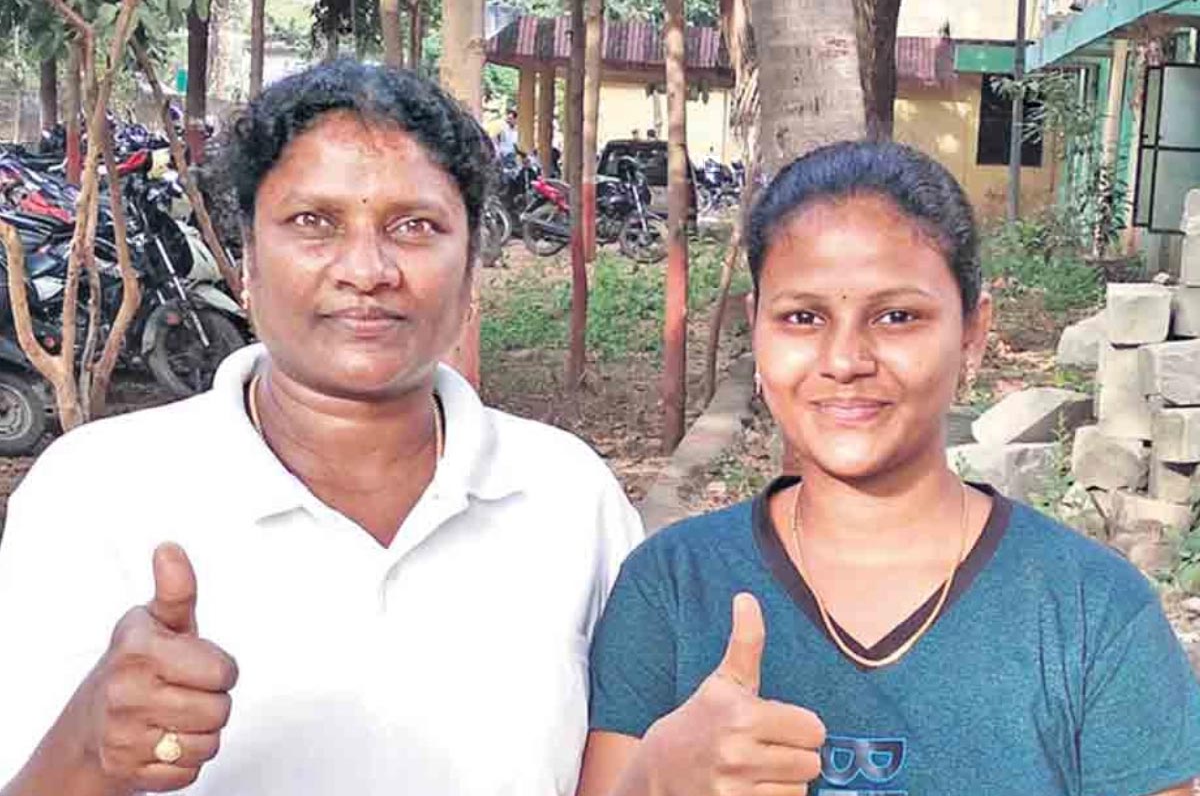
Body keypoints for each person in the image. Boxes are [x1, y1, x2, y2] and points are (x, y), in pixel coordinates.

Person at [0, 60, 642, 796]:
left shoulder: (568, 496)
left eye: (415, 226)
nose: (366, 270)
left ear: (470, 271)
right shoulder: (93, 494)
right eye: (313, 222)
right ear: (247, 261)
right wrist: (89, 748)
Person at [576, 141, 1200, 796]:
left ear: (972, 334)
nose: (845, 360)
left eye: (897, 316)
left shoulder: (1091, 610)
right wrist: (655, 780)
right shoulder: (672, 586)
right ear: (757, 329)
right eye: (803, 317)